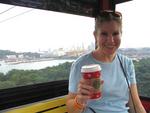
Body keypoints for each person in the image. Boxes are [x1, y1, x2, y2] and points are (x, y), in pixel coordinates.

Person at [66, 10, 146, 113]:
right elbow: (70, 108)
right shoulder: (81, 65)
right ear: (95, 35)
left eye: (115, 33)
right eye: (104, 34)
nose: (110, 40)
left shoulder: (127, 63)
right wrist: (79, 100)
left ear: (121, 34)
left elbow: (136, 105)